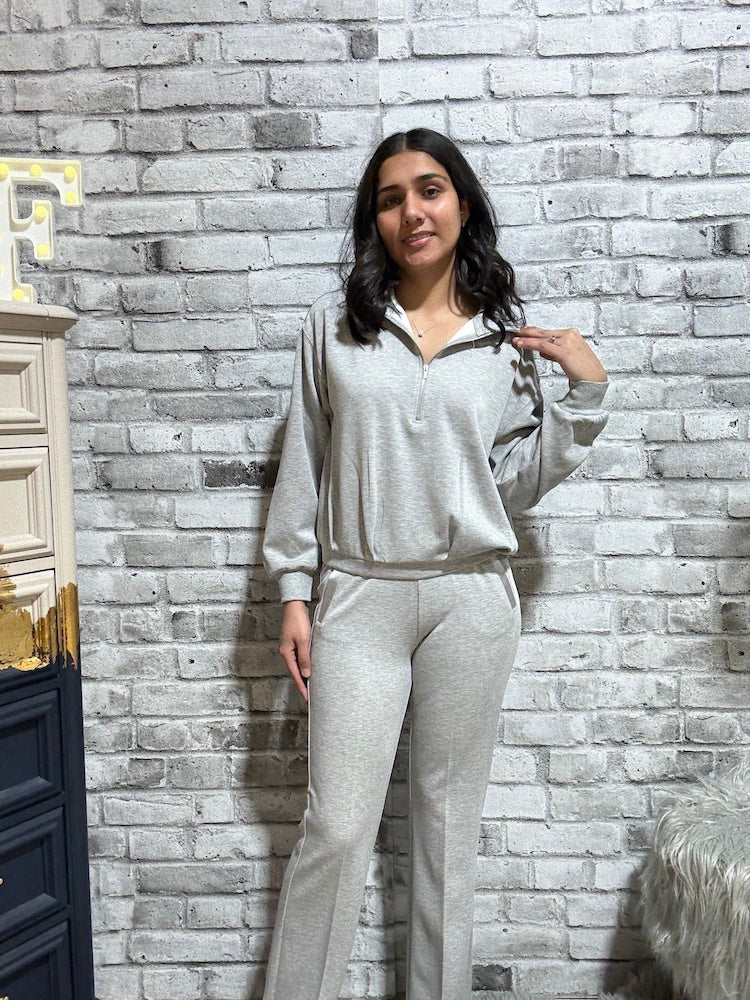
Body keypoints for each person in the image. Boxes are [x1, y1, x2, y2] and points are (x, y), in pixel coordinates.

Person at [260, 127, 610, 1000]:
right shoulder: (333, 327)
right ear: (374, 219)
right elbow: (304, 463)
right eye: (390, 199)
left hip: (471, 602)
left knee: (447, 836)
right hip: (359, 594)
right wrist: (294, 592)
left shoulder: (503, 339)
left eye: (429, 190)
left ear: (462, 204)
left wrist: (584, 399)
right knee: (337, 829)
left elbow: (508, 486)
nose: (412, 212)